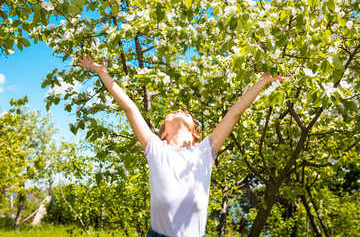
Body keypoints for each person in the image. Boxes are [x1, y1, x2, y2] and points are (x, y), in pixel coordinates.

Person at [78, 54, 286, 237]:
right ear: (163, 134)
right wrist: (102, 73)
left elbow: (233, 113)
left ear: (196, 134)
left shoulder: (204, 152)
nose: (180, 110)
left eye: (186, 113)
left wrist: (265, 79)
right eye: (173, 113)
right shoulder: (156, 149)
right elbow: (130, 108)